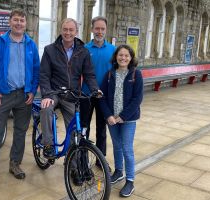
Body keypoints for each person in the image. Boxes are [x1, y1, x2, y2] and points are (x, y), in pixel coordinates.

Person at [0, 9, 40, 183]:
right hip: (3, 94)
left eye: (22, 20)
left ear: (25, 23)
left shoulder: (30, 44)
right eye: (15, 20)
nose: (19, 23)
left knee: (20, 132)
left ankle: (15, 163)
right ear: (9, 22)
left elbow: (36, 69)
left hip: (24, 95)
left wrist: (32, 90)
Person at [39, 18, 100, 159]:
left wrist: (95, 89)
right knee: (46, 108)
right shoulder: (49, 50)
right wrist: (47, 95)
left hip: (71, 95)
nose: (68, 33)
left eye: (71, 30)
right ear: (61, 30)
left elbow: (89, 75)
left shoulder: (83, 52)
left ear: (76, 32)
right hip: (53, 92)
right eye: (65, 29)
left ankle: (73, 165)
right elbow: (44, 75)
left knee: (74, 129)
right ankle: (48, 144)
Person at [100, 44, 143, 197]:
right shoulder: (109, 75)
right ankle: (119, 172)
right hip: (112, 119)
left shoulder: (136, 75)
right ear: (116, 57)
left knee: (127, 148)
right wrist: (108, 115)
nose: (123, 58)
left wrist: (123, 116)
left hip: (128, 119)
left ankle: (130, 180)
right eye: (120, 55)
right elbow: (102, 97)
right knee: (117, 146)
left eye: (126, 55)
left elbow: (137, 99)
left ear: (131, 58)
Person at [80, 16, 115, 167]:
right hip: (86, 95)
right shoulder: (84, 49)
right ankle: (82, 159)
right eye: (97, 28)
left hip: (103, 97)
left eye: (102, 29)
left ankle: (101, 160)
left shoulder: (113, 50)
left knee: (102, 129)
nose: (99, 32)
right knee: (84, 129)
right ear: (92, 29)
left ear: (106, 30)